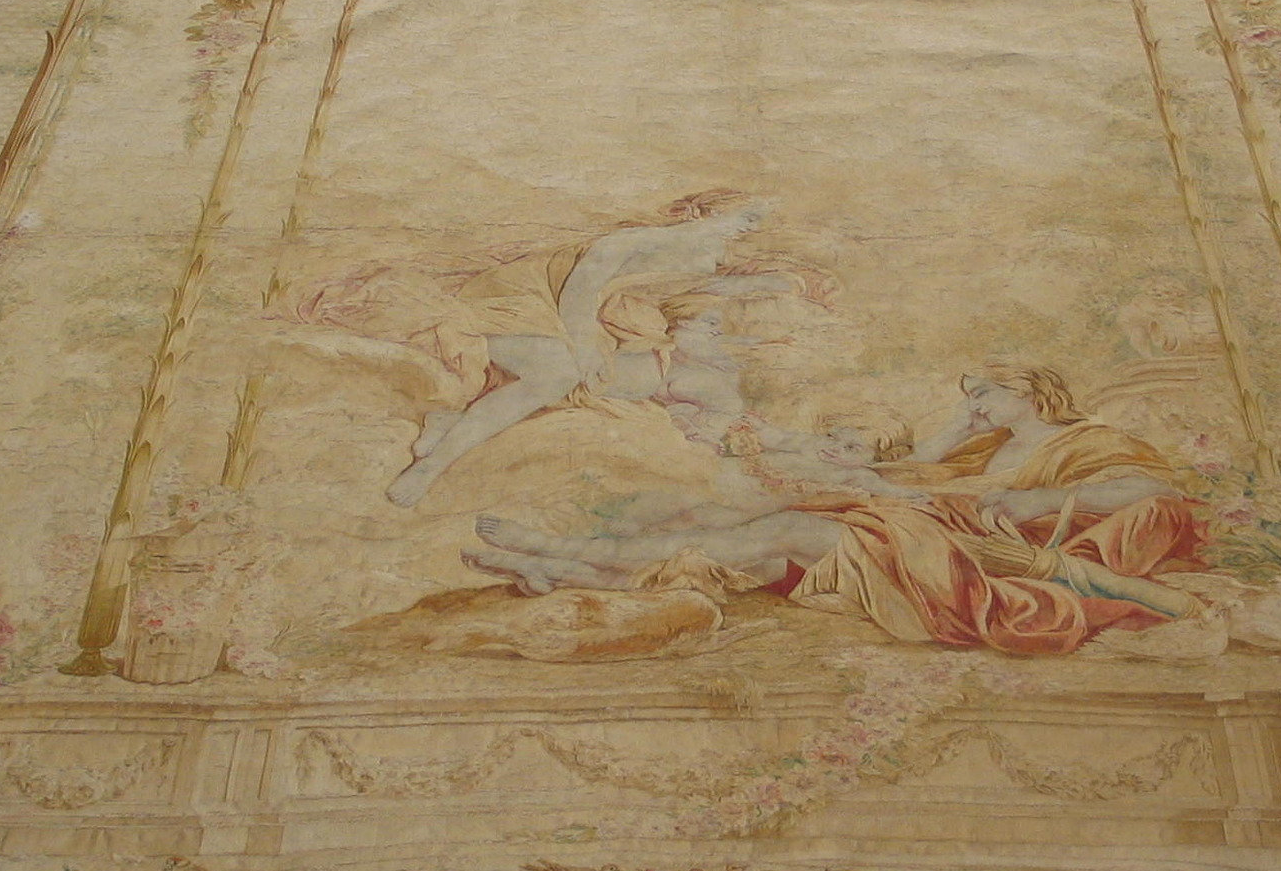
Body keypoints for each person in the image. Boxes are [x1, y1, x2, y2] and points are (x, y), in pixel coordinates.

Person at [464, 366, 1216, 656]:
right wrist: (960, 432)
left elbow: (1154, 498)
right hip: (923, 526)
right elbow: (910, 469)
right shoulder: (984, 445)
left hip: (962, 555)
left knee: (780, 532)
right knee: (737, 534)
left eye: (988, 393)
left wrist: (1039, 498)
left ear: (1033, 393)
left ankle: (557, 554)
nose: (977, 405)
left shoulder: (1090, 442)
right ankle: (570, 568)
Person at [386, 191, 777, 505]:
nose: (749, 229)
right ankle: (431, 466)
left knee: (637, 381)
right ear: (706, 212)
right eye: (745, 217)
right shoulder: (639, 239)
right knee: (560, 374)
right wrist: (585, 348)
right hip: (525, 300)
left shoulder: (708, 257)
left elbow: (684, 294)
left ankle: (453, 422)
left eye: (755, 223)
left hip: (593, 318)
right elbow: (580, 290)